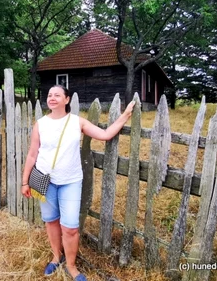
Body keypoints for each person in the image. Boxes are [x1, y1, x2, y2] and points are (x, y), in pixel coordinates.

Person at [21, 85, 135, 281]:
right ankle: (57, 257)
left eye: (57, 95)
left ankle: (71, 266)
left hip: (70, 182)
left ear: (67, 100)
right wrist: (25, 182)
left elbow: (106, 135)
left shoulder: (77, 122)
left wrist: (124, 115)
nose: (52, 98)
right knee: (51, 221)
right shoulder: (40, 124)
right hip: (44, 181)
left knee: (71, 227)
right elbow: (32, 154)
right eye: (49, 95)